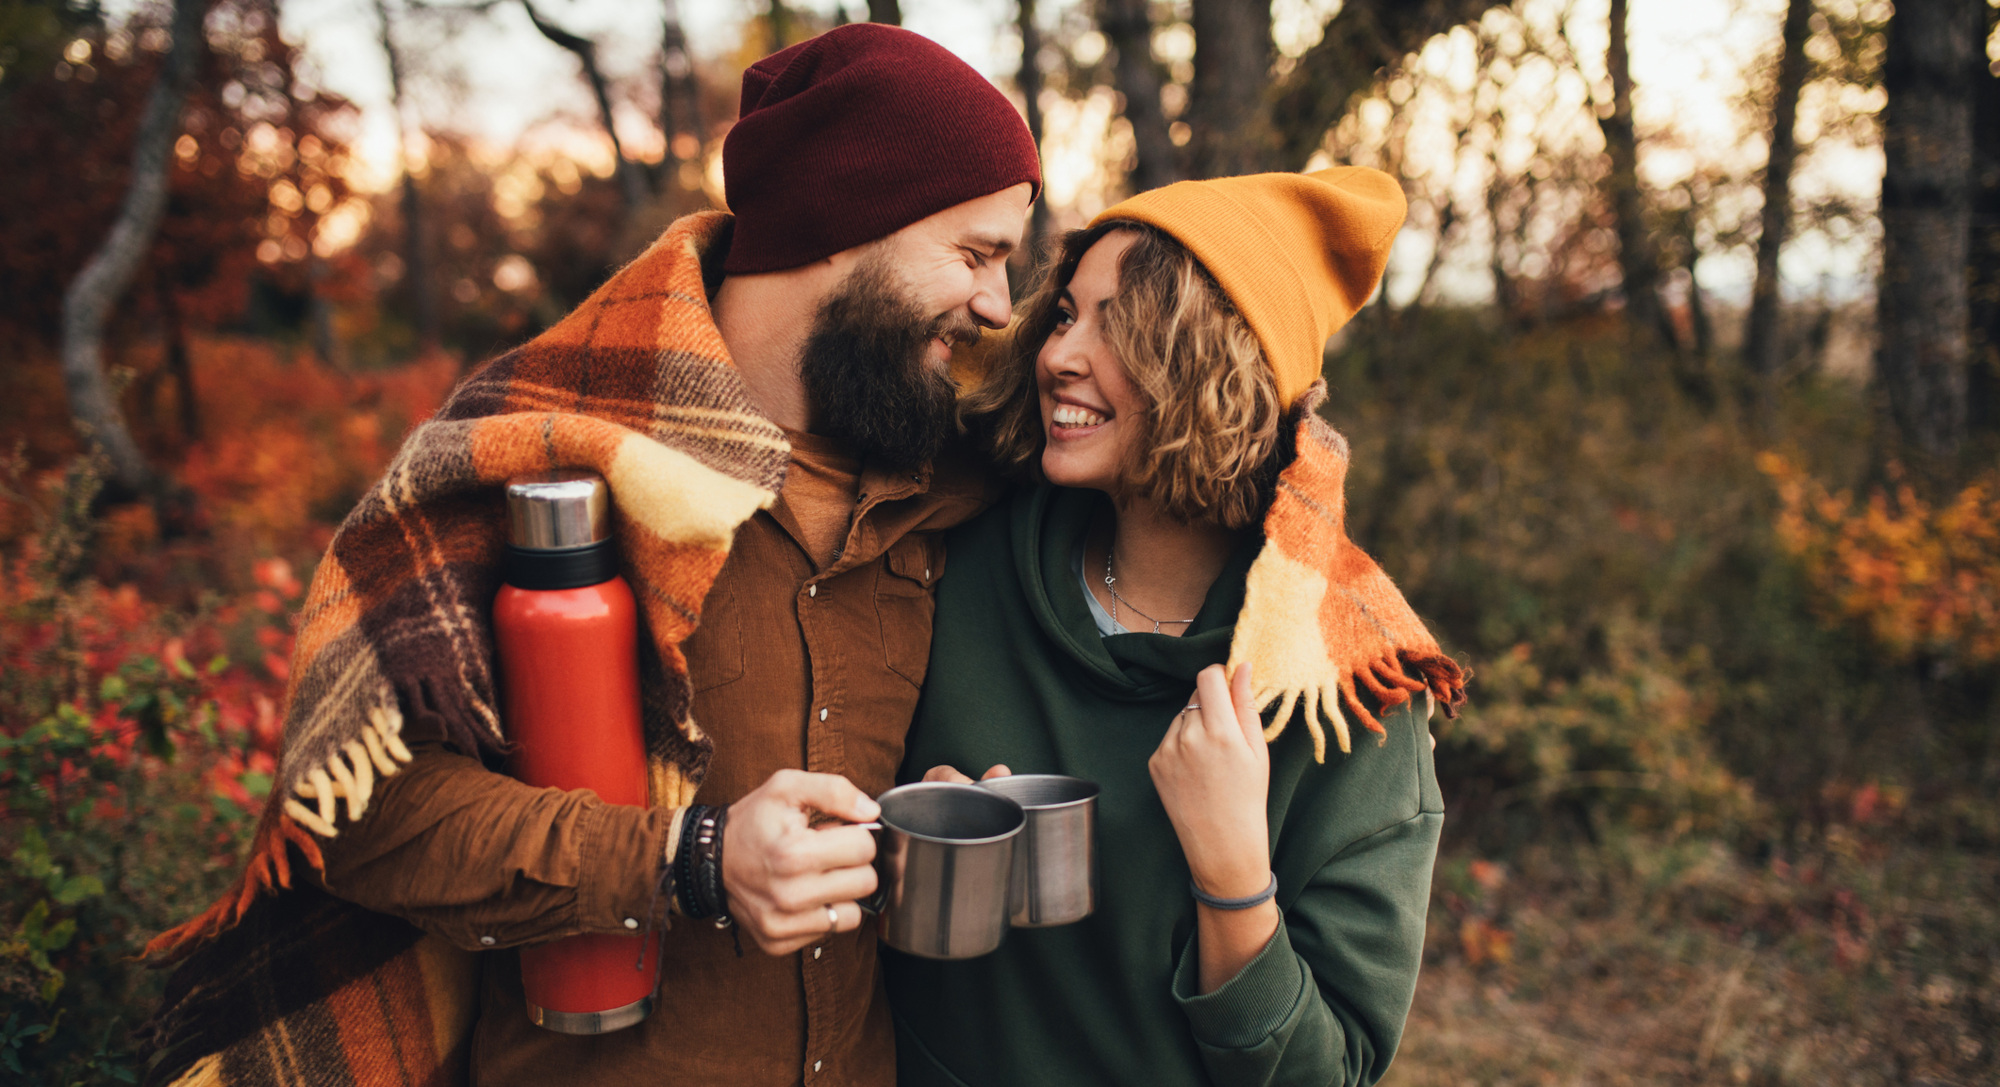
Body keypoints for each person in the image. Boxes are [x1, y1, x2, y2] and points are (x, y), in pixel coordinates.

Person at [141, 24, 1037, 1087]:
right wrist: (689, 860)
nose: (995, 304)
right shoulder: (540, 461)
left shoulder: (942, 484)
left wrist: (922, 816)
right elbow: (363, 819)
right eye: (974, 254)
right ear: (846, 222)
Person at [884, 168, 1469, 1087]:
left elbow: (1329, 1072)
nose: (1058, 356)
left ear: (1220, 368)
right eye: (1067, 314)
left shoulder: (1345, 694)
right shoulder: (956, 555)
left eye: (1118, 326)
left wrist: (1233, 869)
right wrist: (912, 835)